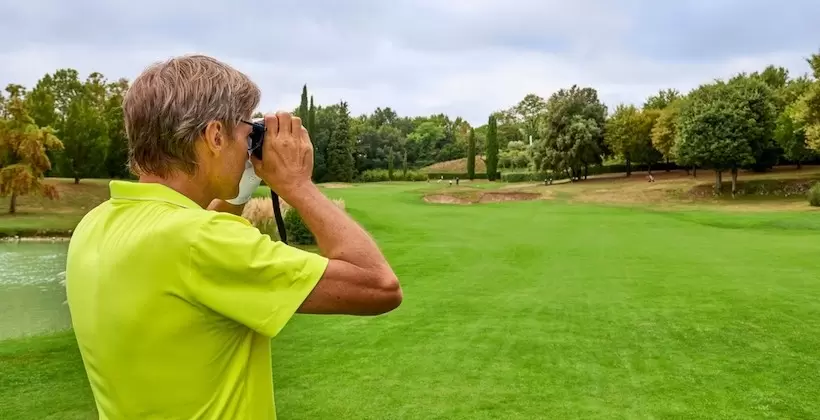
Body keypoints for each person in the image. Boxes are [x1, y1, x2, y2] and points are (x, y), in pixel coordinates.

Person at [64, 54, 402, 420]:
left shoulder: (96, 224)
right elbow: (378, 286)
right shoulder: (201, 240)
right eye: (247, 134)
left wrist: (238, 193)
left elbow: (196, 268)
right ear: (215, 135)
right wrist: (297, 185)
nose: (250, 148)